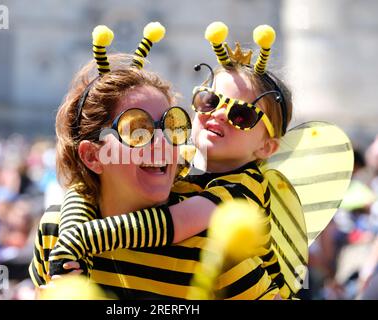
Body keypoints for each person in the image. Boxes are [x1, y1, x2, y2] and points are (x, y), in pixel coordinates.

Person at [31, 22, 293, 299]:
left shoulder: (214, 244)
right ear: (92, 156)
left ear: (267, 147)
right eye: (137, 129)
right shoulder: (55, 226)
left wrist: (77, 240)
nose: (163, 142)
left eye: (172, 126)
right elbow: (79, 191)